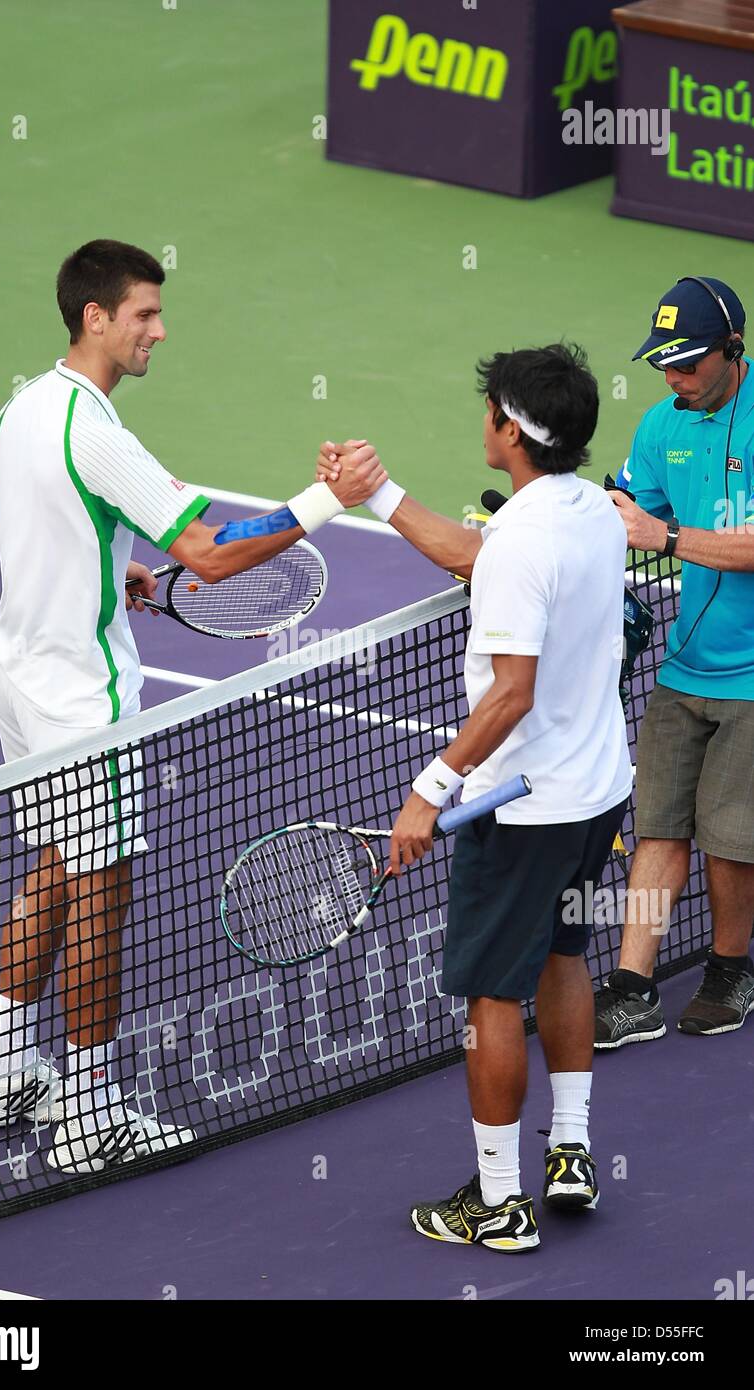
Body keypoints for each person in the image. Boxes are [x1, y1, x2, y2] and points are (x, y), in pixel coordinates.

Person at [0, 239, 385, 1174]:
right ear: (96, 319)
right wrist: (330, 497)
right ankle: (88, 1109)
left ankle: (4, 1068)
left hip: (19, 679)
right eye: (144, 314)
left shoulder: (24, 405)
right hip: (88, 703)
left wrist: (112, 565)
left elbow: (7, 510)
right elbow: (215, 553)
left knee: (51, 871)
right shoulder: (99, 434)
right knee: (101, 902)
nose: (160, 330)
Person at [318, 344, 631, 1252]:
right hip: (598, 793)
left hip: (521, 812)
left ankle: (498, 1205)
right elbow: (480, 556)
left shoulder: (524, 544)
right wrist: (377, 493)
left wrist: (428, 791)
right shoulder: (592, 512)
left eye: (490, 408)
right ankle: (569, 1149)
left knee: (493, 1000)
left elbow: (511, 693)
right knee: (565, 958)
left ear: (509, 430)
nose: (483, 417)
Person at [594, 275, 754, 1048]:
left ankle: (730, 969)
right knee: (657, 827)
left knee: (729, 836)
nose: (673, 377)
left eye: (688, 363)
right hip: (685, 667)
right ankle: (633, 988)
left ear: (734, 350)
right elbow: (622, 513)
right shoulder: (663, 426)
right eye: (665, 362)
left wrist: (666, 540)